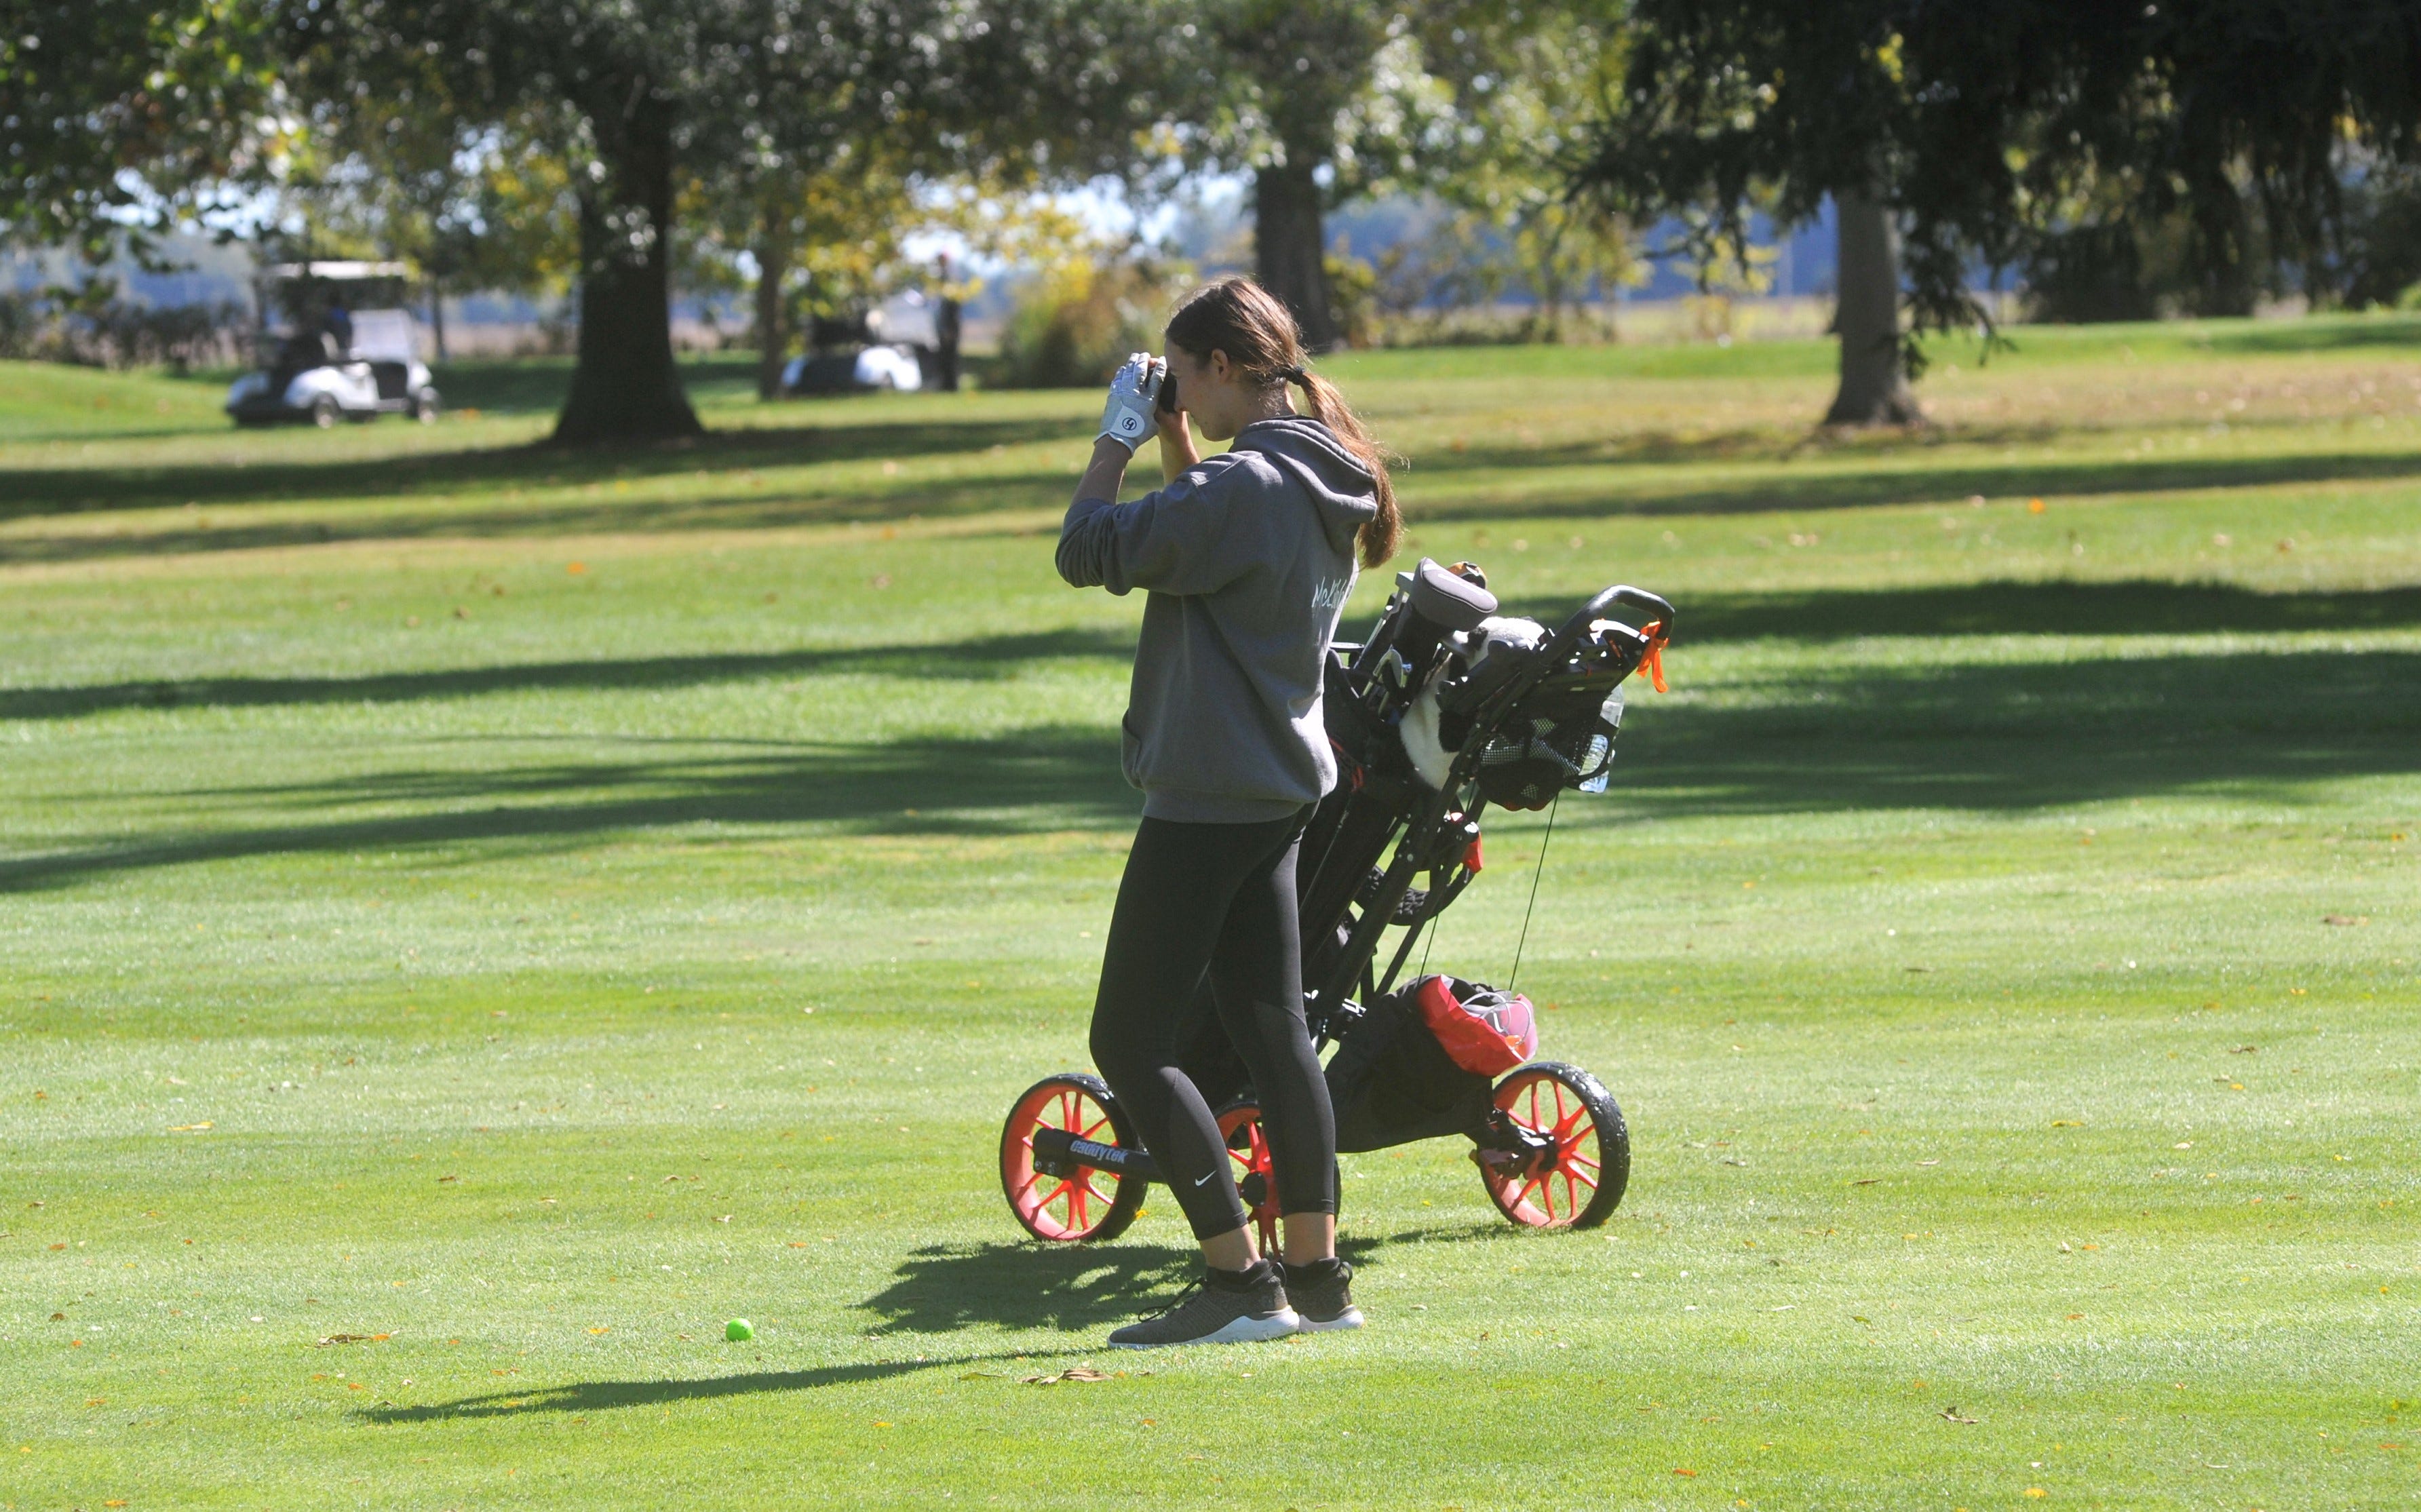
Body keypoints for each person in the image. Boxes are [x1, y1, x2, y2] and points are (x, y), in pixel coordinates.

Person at [1055, 277, 1401, 1348]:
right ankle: (1317, 1277)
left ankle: (1235, 1281)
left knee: (1126, 1037)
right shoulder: (1313, 470)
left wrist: (1115, 438)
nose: (1179, 396)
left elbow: (1088, 549)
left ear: (1215, 366)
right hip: (1278, 785)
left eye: (1180, 375)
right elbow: (1208, 546)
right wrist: (1174, 443)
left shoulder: (1243, 484)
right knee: (1273, 1031)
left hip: (1207, 789)